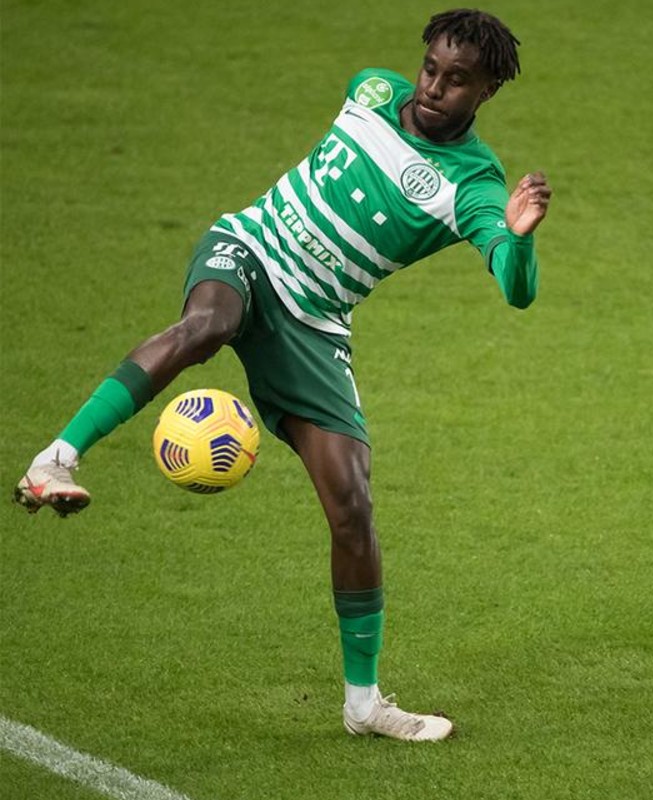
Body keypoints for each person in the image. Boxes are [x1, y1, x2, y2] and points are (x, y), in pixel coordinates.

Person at [13, 8, 552, 742]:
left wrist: (519, 240)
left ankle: (363, 705)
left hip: (315, 322)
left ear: (487, 91)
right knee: (207, 325)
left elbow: (516, 289)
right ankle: (55, 458)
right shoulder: (371, 89)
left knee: (352, 506)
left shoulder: (473, 184)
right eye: (431, 68)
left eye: (457, 81)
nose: (433, 87)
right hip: (250, 249)